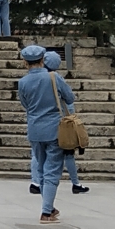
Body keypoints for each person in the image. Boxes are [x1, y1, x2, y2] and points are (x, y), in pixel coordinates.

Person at [16, 43, 74, 224]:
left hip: (34, 128)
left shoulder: (23, 82)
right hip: (55, 128)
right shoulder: (53, 77)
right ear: (43, 60)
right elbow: (70, 97)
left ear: (25, 62)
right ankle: (46, 210)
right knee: (52, 169)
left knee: (40, 168)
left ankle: (48, 205)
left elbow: (25, 104)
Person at [43, 48, 88, 194]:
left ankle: (37, 181)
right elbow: (69, 99)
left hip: (43, 122)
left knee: (40, 155)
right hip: (62, 122)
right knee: (68, 153)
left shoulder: (38, 77)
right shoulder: (57, 78)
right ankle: (75, 183)